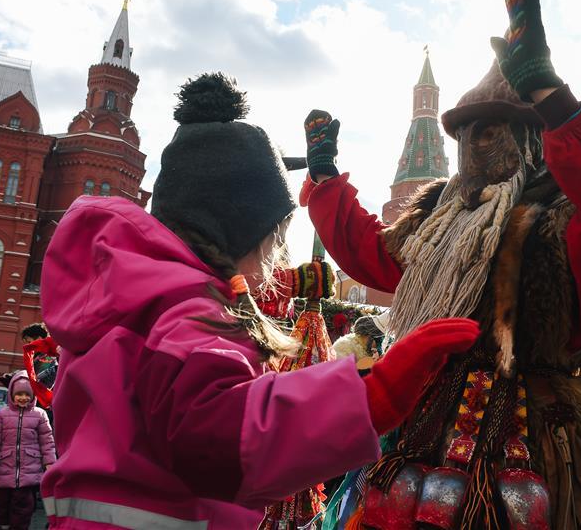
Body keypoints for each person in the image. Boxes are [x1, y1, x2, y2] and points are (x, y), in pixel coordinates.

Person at [304, 0, 581, 529]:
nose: (472, 148)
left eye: (489, 132)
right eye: (465, 135)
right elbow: (375, 256)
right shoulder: (440, 218)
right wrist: (325, 180)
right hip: (426, 426)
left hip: (530, 439)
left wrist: (552, 98)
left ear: (530, 137)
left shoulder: (564, 216)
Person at [37, 72, 479, 529]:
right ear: (236, 228)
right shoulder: (188, 313)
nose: (277, 255)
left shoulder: (134, 300)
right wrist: (372, 398)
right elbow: (215, 437)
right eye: (275, 236)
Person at [0, 370, 55, 530]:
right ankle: (4, 524)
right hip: (5, 469)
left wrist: (49, 462)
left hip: (30, 471)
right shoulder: (2, 415)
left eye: (27, 394)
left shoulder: (40, 415)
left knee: (24, 507)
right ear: (12, 395)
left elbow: (47, 442)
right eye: (19, 394)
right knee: (3, 504)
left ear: (33, 395)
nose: (23, 398)